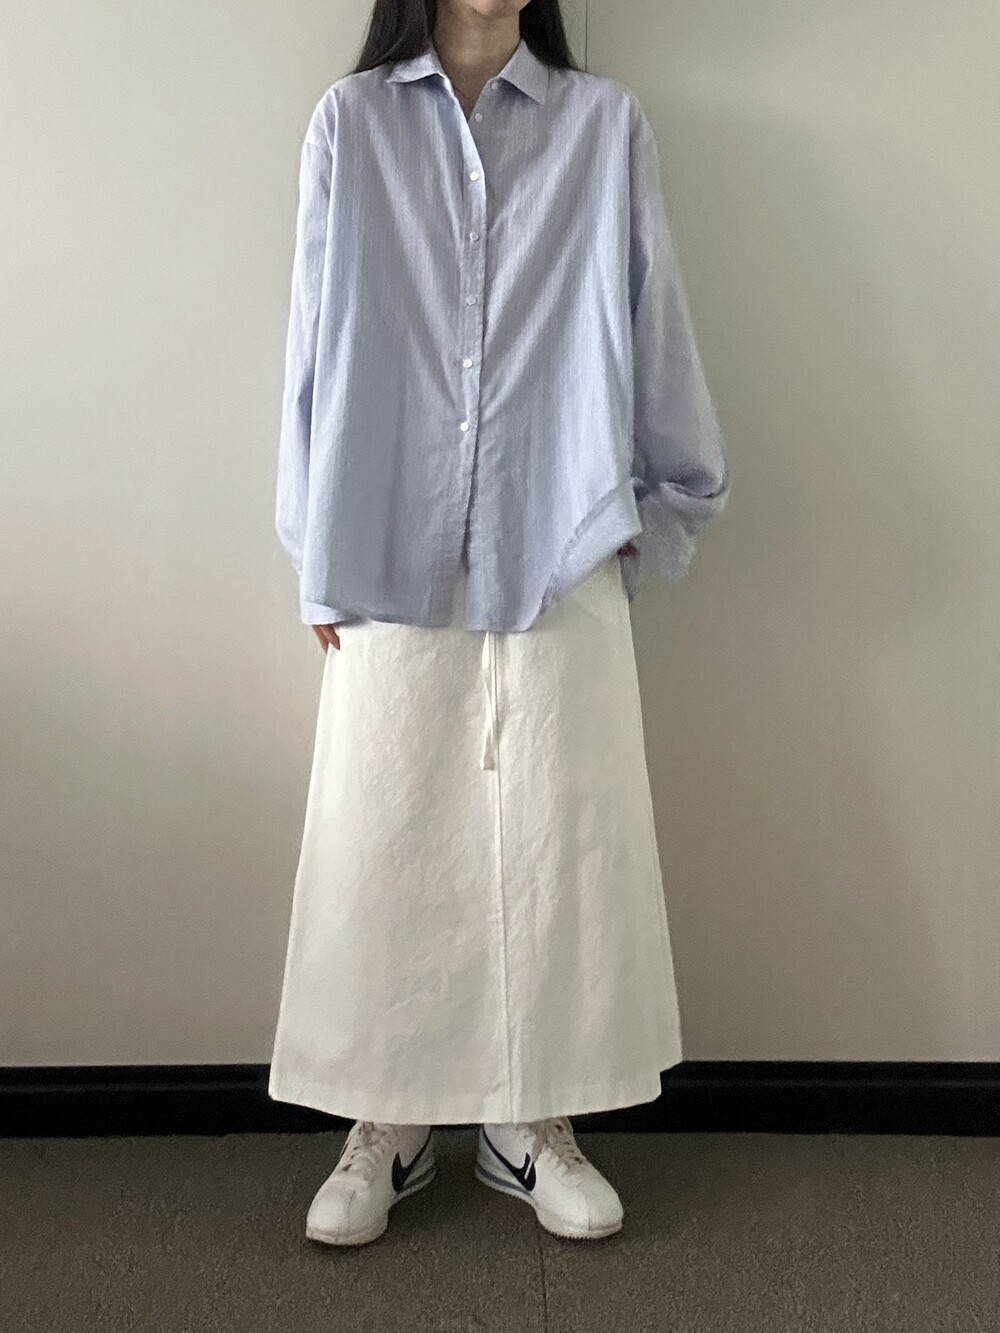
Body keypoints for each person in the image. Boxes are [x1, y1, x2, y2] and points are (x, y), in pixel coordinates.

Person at [267, 0, 730, 1248]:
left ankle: (530, 1120)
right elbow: (311, 335)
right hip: (381, 537)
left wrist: (661, 508)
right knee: (385, 830)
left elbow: (652, 312)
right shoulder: (351, 124)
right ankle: (386, 1117)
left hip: (560, 532)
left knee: (556, 843)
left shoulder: (603, 125)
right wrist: (315, 551)